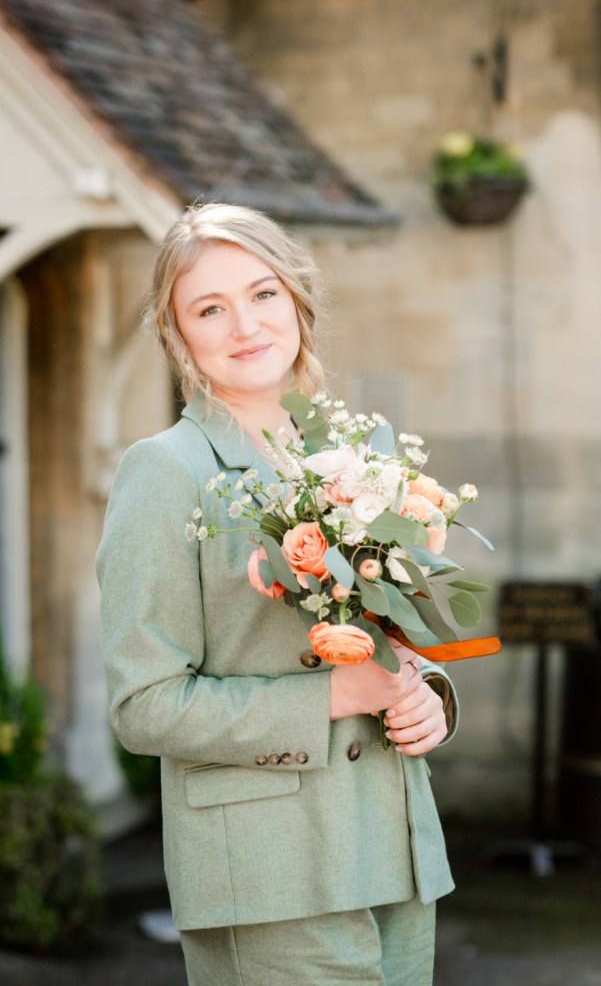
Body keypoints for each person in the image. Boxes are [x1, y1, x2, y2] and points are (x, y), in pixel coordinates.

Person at [96, 202, 458, 986]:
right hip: (270, 873)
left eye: (262, 293)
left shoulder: (351, 455)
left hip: (396, 854)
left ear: (295, 297)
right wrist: (328, 697)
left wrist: (427, 694)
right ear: (177, 332)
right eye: (209, 308)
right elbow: (143, 704)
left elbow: (388, 636)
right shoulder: (166, 470)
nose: (245, 325)